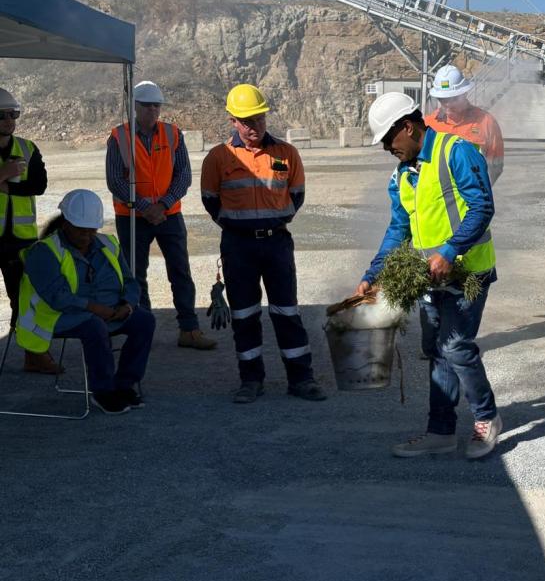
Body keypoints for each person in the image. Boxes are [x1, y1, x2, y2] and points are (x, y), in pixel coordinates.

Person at [358, 92, 502, 459]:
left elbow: (482, 206)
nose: (387, 148)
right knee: (437, 351)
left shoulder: (457, 151)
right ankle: (440, 431)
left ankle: (486, 417)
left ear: (408, 127)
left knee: (455, 346)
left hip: (469, 270)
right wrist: (374, 272)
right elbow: (398, 228)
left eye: (389, 140)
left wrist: (451, 251)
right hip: (431, 278)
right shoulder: (402, 176)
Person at [200, 83, 326, 403]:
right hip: (238, 247)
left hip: (276, 244)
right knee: (244, 315)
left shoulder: (286, 153)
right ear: (232, 121)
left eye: (258, 118)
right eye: (246, 121)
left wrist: (270, 222)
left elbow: (296, 197)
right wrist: (240, 227)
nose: (254, 126)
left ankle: (301, 379)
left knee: (287, 311)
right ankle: (251, 380)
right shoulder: (218, 158)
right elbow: (210, 200)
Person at [18, 189, 155, 415]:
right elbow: (57, 296)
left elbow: (131, 282)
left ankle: (124, 385)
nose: (87, 236)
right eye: (81, 230)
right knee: (94, 327)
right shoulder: (44, 252)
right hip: (57, 316)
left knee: (144, 321)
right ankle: (103, 391)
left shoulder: (108, 244)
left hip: (106, 312)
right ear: (66, 224)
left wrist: (128, 305)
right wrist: (95, 309)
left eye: (92, 230)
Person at [106, 80, 215, 350]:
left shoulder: (173, 134)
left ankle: (189, 330)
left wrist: (162, 205)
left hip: (169, 215)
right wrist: (144, 207)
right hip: (132, 217)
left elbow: (184, 176)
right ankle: (142, 329)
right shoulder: (119, 136)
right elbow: (115, 181)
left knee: (180, 271)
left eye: (157, 105)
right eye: (147, 106)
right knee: (135, 274)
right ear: (135, 107)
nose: (153, 110)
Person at [0, 88, 61, 374]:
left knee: (25, 299)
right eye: (2, 115)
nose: (9, 121)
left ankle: (33, 355)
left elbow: (39, 185)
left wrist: (8, 186)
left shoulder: (28, 148)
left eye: (13, 114)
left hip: (20, 242)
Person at [425, 64, 505, 184]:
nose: (447, 104)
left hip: (471, 197)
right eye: (443, 99)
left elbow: (496, 165)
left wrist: (478, 190)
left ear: (464, 93)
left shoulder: (486, 122)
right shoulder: (428, 124)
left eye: (453, 98)